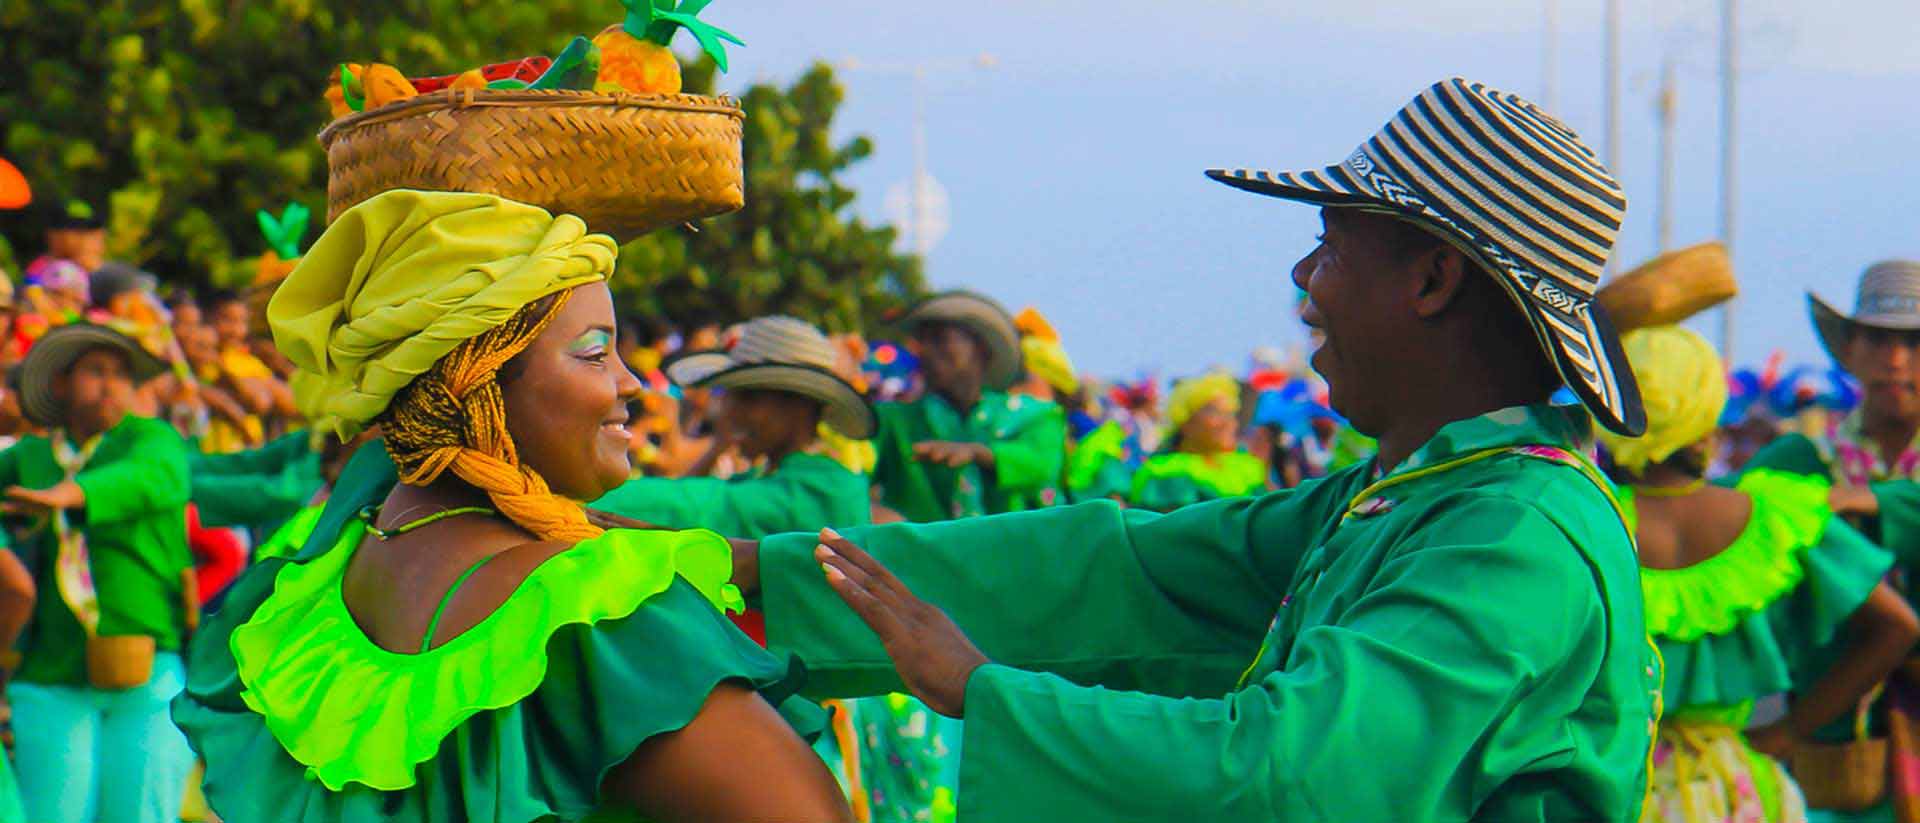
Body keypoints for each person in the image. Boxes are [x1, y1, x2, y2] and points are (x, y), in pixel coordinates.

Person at [731, 77, 1658, 821]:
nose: (1304, 279)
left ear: (1431, 278)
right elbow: (1123, 570)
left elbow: (1296, 773)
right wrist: (753, 573)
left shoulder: (1512, 536)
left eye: (1331, 245)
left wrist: (988, 693)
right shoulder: (1409, 494)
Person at [172, 190, 851, 823]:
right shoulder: (598, 610)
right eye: (594, 353)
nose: (632, 382)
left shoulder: (314, 566)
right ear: (478, 380)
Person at [1598, 325, 1917, 823]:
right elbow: (1897, 625)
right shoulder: (1778, 516)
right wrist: (1788, 731)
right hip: (1735, 789)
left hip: (1614, 781)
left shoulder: (1584, 524)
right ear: (1709, 420)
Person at [1744, 261, 1920, 822]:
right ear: (1848, 349)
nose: (1895, 359)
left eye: (1913, 342)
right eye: (1877, 339)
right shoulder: (1803, 463)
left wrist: (1875, 502)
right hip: (1831, 745)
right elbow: (1725, 511)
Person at [1, 323, 195, 823]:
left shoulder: (152, 441)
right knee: (53, 816)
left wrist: (65, 496)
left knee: (143, 814)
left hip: (147, 672)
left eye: (122, 375)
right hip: (52, 673)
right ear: (60, 384)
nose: (111, 385)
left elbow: (146, 481)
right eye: (96, 372)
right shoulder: (27, 458)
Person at [593, 314, 876, 538]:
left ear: (799, 404)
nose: (728, 412)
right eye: (727, 397)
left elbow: (691, 506)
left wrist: (567, 500)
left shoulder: (821, 491)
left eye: (748, 397)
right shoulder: (769, 476)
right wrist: (719, 445)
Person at [870, 291, 1066, 522]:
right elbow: (853, 479)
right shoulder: (892, 419)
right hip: (917, 556)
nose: (925, 351)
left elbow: (1042, 464)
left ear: (981, 349)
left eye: (940, 338)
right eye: (922, 340)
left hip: (1012, 553)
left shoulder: (1036, 416)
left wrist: (979, 454)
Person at [1129, 372, 1268, 511]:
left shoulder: (1246, 468)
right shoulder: (1166, 473)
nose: (1229, 422)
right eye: (1215, 412)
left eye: (1230, 413)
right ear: (1185, 422)